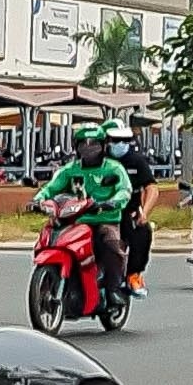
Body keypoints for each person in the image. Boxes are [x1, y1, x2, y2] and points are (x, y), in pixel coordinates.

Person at [32, 119, 148, 304]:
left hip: (105, 219)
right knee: (52, 237)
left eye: (94, 144)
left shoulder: (114, 168)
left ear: (103, 146)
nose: (89, 149)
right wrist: (38, 200)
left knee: (111, 243)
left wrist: (111, 202)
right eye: (83, 145)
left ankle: (114, 288)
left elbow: (124, 190)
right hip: (75, 221)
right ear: (76, 147)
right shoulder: (70, 170)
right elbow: (51, 188)